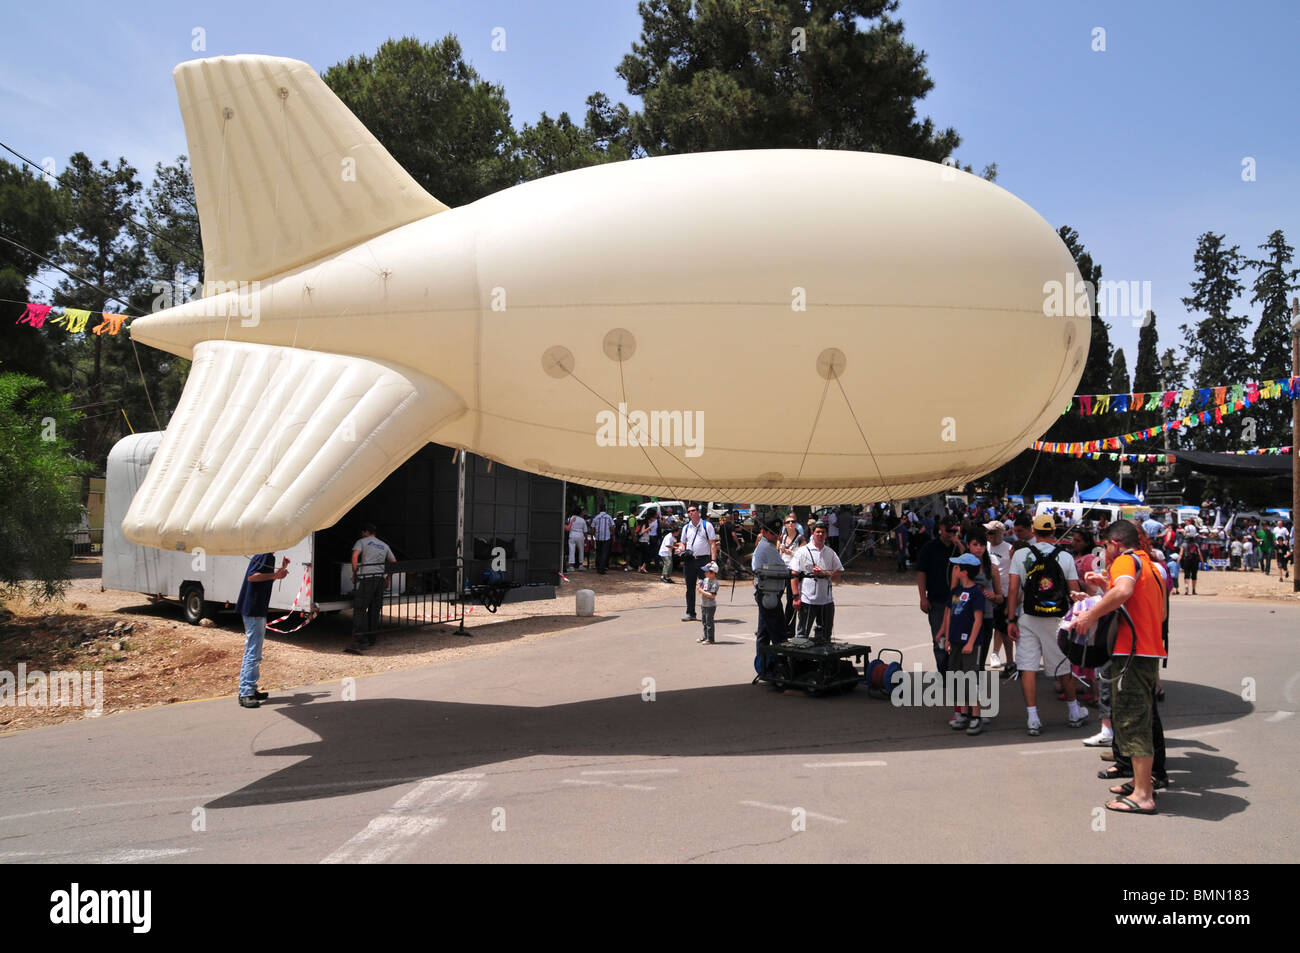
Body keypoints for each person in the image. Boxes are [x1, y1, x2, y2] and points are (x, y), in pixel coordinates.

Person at [1070, 520, 1168, 814]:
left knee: (1132, 721)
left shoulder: (1125, 560)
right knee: (1142, 719)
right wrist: (1105, 587)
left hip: (1131, 653)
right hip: (1148, 651)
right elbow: (1157, 612)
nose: (1104, 550)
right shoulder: (1150, 565)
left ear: (1115, 543)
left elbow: (1124, 591)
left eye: (1105, 545)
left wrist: (1090, 616)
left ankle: (1143, 794)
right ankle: (1142, 783)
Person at [1006, 513, 1085, 736]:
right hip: (1057, 618)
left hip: (1028, 616)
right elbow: (1073, 590)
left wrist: (1011, 619)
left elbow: (1013, 590)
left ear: (1034, 530)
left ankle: (1032, 717)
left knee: (1028, 667)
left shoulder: (1020, 555)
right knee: (1062, 665)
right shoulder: (1066, 557)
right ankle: (1073, 711)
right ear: (1053, 531)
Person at [937, 553, 987, 735]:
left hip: (970, 643)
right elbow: (950, 615)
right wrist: (948, 637)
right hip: (956, 641)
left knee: (971, 677)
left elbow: (978, 620)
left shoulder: (976, 593)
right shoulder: (955, 592)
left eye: (957, 567)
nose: (954, 569)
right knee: (957, 676)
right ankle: (963, 714)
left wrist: (971, 642)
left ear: (964, 572)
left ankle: (976, 716)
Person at [236, 552, 289, 708]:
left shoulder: (264, 556)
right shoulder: (266, 556)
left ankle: (250, 689)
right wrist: (274, 574)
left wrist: (280, 570)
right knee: (253, 652)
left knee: (253, 651)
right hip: (254, 609)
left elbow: (265, 577)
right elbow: (252, 576)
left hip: (255, 609)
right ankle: (246, 692)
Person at [917, 518, 964, 673]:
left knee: (957, 636)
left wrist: (959, 544)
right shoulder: (929, 548)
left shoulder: (958, 548)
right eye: (948, 530)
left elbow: (970, 564)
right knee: (940, 638)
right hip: (937, 600)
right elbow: (921, 573)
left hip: (957, 600)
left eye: (954, 531)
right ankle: (943, 671)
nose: (951, 534)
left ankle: (955, 669)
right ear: (941, 528)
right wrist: (922, 597)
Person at [347, 523, 395, 653]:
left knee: (360, 608)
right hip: (380, 579)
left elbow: (355, 556)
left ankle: (359, 640)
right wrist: (388, 578)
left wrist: (355, 574)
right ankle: (372, 638)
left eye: (363, 533)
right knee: (374, 610)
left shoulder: (361, 542)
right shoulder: (384, 545)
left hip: (367, 578)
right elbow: (393, 562)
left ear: (365, 532)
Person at [792, 521, 844, 641]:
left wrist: (824, 573)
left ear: (826, 534)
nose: (820, 534)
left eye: (823, 532)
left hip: (826, 602)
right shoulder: (802, 551)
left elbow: (838, 576)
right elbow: (793, 574)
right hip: (807, 600)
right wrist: (796, 597)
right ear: (813, 533)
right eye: (817, 532)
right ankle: (800, 659)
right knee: (802, 635)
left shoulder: (830, 553)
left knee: (826, 636)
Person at [752, 518, 792, 672]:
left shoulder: (767, 545)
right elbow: (778, 569)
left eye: (777, 532)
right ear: (763, 532)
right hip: (769, 593)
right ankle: (779, 667)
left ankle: (763, 667)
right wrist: (792, 573)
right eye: (772, 532)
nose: (776, 535)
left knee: (764, 632)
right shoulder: (766, 548)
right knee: (778, 632)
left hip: (767, 592)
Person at [984, 520, 1016, 676]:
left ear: (999, 534)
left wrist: (1012, 597)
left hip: (1003, 593)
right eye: (987, 532)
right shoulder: (984, 547)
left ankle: (1010, 661)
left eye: (990, 532)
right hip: (986, 592)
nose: (987, 535)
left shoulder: (1009, 549)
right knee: (991, 627)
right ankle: (994, 653)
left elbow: (1014, 573)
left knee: (1003, 629)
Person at [677, 505, 719, 621]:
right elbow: (682, 542)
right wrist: (680, 549)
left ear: (698, 512)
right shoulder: (686, 527)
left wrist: (713, 561)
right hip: (690, 560)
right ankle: (690, 613)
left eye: (693, 511)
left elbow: (712, 543)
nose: (691, 513)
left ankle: (708, 613)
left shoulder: (707, 525)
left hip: (704, 559)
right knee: (690, 587)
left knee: (707, 586)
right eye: (689, 511)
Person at [778, 515, 806, 635]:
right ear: (785, 524)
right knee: (776, 597)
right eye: (788, 522)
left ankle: (789, 628)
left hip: (793, 570)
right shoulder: (782, 537)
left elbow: (804, 555)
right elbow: (779, 553)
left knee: (791, 599)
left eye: (793, 522)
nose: (791, 524)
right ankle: (778, 624)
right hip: (782, 570)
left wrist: (792, 553)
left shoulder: (800, 538)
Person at [696, 561, 720, 644]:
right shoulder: (706, 580)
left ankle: (710, 639)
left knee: (709, 622)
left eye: (707, 572)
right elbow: (700, 590)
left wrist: (701, 590)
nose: (705, 573)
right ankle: (705, 636)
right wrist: (699, 586)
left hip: (710, 606)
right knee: (704, 621)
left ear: (713, 573)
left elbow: (712, 595)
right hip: (704, 604)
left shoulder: (715, 583)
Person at [591, 505, 614, 574]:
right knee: (604, 553)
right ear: (606, 509)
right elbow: (612, 527)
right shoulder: (608, 517)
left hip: (598, 537)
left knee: (598, 552)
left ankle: (598, 567)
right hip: (606, 537)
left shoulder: (596, 517)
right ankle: (602, 568)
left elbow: (592, 528)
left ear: (600, 510)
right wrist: (613, 534)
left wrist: (592, 536)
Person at [1179, 529, 1201, 595]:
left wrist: (1178, 562)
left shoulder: (1183, 545)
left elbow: (1181, 554)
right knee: (1194, 575)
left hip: (1186, 561)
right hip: (1195, 561)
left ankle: (1186, 588)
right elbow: (1199, 554)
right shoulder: (1196, 545)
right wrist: (1202, 562)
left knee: (1186, 575)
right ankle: (1194, 590)